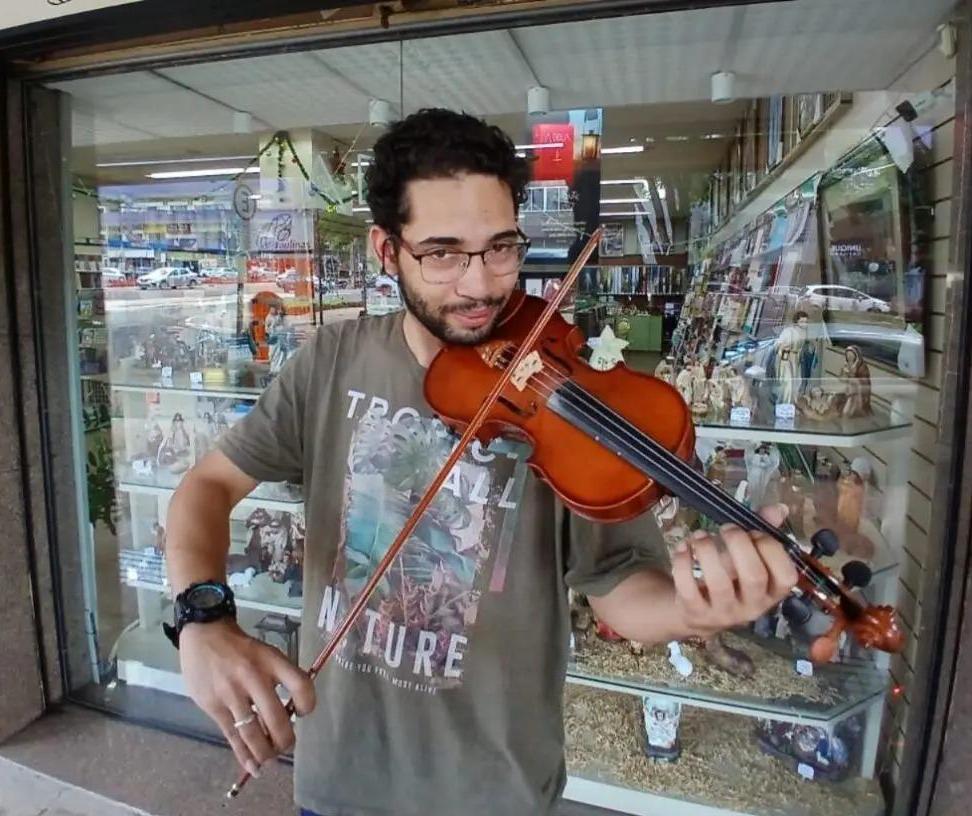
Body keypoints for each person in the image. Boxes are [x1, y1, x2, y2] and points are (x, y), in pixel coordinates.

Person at [164, 108, 797, 816]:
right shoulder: (331, 361)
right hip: (340, 778)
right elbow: (209, 484)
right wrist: (203, 618)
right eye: (442, 253)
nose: (480, 285)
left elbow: (619, 589)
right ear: (386, 251)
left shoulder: (567, 395)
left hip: (495, 790)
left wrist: (697, 608)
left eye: (501, 247)